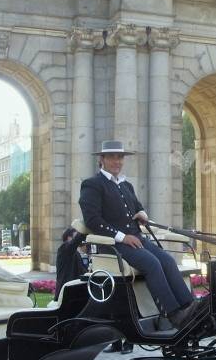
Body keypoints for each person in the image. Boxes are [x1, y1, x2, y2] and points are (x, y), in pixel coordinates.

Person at [78, 140, 201, 330]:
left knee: (167, 260)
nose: (117, 161)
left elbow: (138, 208)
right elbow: (93, 220)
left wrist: (143, 214)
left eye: (120, 157)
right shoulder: (92, 185)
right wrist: (122, 237)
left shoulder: (126, 185)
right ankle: (174, 315)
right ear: (102, 159)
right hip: (113, 244)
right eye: (112, 157)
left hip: (137, 240)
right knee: (152, 264)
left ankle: (189, 306)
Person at [54, 226, 88, 301]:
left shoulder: (76, 253)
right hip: (66, 293)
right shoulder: (63, 249)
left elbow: (83, 272)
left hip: (75, 292)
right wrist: (84, 230)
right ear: (69, 238)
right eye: (75, 237)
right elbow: (74, 243)